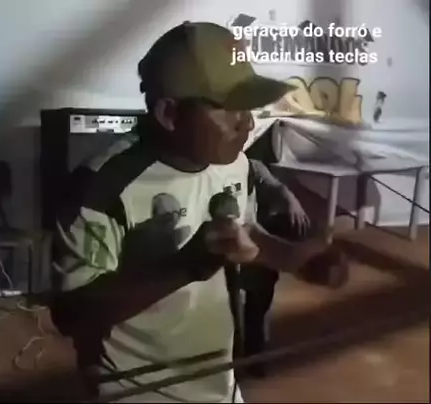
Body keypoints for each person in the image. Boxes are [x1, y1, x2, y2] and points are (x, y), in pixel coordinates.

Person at [50, 21, 346, 403]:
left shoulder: (234, 163)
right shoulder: (100, 188)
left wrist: (300, 260)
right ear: (170, 113)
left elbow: (244, 236)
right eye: (230, 108)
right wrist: (189, 263)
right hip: (137, 392)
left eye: (249, 106)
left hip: (217, 386)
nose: (247, 123)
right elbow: (72, 314)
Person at [241, 159, 310, 378]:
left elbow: (274, 186)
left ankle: (254, 354)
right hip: (226, 245)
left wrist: (290, 200)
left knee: (258, 301)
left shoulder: (249, 165)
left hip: (249, 240)